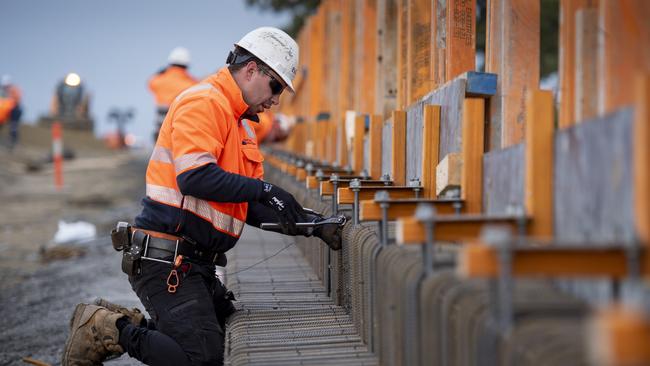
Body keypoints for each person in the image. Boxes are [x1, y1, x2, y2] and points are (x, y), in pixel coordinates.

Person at [62, 27, 342, 366]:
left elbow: (244, 204)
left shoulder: (241, 124)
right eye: (276, 86)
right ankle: (108, 328)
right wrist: (267, 190)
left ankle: (138, 326)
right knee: (201, 360)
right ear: (252, 70)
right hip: (166, 261)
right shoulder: (205, 102)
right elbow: (195, 177)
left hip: (196, 262)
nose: (277, 99)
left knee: (215, 334)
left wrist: (308, 223)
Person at [148, 47, 198, 142]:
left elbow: (150, 83)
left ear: (170, 63)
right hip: (180, 130)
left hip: (160, 128)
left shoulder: (157, 81)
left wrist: (160, 73)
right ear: (187, 65)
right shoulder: (191, 83)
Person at [0, 75, 23, 149]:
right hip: (4, 112)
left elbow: (16, 101)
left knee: (13, 126)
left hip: (14, 111)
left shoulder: (14, 90)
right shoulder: (3, 91)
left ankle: (14, 142)